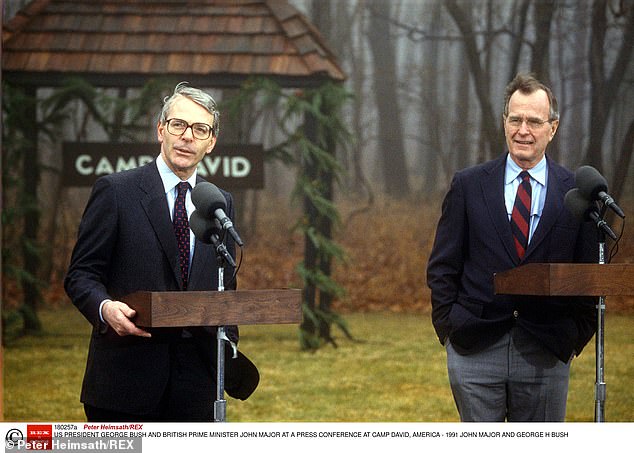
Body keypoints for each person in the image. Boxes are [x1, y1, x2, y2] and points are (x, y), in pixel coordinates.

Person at [65, 82, 258, 422]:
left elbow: (224, 287)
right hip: (124, 384)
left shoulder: (219, 202)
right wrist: (105, 309)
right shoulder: (116, 192)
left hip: (197, 388)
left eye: (200, 129)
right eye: (178, 125)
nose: (187, 136)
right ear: (161, 130)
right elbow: (81, 274)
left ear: (211, 142)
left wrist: (227, 351)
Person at [426, 73, 598, 422]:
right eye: (515, 119)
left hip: (546, 351)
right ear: (504, 122)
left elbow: (588, 277)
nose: (523, 130)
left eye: (534, 121)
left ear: (553, 128)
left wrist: (572, 336)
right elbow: (443, 265)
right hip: (474, 348)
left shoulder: (577, 194)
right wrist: (449, 327)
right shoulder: (468, 185)